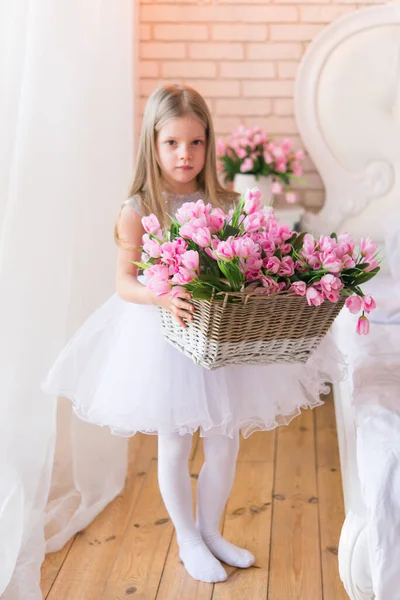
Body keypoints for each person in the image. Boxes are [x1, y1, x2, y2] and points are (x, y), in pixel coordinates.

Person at [42, 83, 343, 583]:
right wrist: (160, 295)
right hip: (164, 337)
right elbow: (122, 283)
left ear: (209, 144)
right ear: (153, 145)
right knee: (177, 443)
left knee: (225, 441)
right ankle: (186, 538)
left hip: (217, 340)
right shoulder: (138, 207)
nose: (185, 155)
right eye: (173, 144)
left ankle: (211, 531)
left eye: (196, 143)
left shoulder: (223, 202)